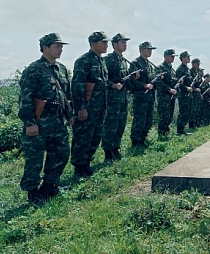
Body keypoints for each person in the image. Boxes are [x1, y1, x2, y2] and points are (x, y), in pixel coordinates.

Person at [18, 33, 73, 204]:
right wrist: (30, 123)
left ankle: (50, 187)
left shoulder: (61, 69)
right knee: (34, 159)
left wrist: (69, 114)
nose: (60, 49)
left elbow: (66, 94)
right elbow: (25, 98)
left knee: (61, 154)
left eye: (61, 46)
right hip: (39, 121)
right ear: (45, 48)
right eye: (57, 46)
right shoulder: (33, 70)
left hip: (57, 121)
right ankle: (33, 193)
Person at [70, 31, 109, 178]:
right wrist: (80, 108)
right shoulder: (84, 61)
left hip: (99, 108)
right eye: (103, 42)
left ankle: (87, 164)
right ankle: (79, 168)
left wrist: (104, 107)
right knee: (82, 138)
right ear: (93, 44)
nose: (106, 45)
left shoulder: (101, 61)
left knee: (95, 137)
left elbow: (103, 85)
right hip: (87, 108)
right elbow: (77, 86)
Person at [102, 33, 135, 162]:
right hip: (111, 99)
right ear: (114, 44)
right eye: (122, 42)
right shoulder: (108, 59)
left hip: (122, 98)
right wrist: (113, 85)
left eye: (125, 42)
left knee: (120, 125)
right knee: (110, 126)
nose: (125, 44)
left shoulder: (123, 61)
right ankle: (108, 153)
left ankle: (116, 149)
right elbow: (103, 79)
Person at [128, 42, 157, 147]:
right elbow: (131, 81)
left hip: (149, 97)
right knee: (139, 119)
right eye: (148, 49)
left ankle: (143, 139)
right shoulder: (135, 63)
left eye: (151, 49)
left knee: (148, 120)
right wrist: (144, 85)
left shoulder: (150, 65)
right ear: (141, 50)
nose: (150, 51)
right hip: (140, 96)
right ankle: (135, 142)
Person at [155, 48, 179, 137]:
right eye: (171, 56)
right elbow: (158, 82)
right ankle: (161, 133)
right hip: (163, 96)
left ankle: (166, 132)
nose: (173, 58)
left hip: (171, 96)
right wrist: (169, 89)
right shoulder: (160, 68)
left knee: (169, 115)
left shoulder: (171, 69)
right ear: (165, 56)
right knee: (164, 115)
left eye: (174, 57)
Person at [175, 51, 193, 135]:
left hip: (188, 94)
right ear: (183, 58)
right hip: (183, 94)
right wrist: (186, 88)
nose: (189, 58)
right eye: (187, 57)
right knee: (183, 112)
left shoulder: (187, 69)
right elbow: (178, 83)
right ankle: (180, 130)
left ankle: (182, 129)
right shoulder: (180, 69)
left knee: (187, 112)